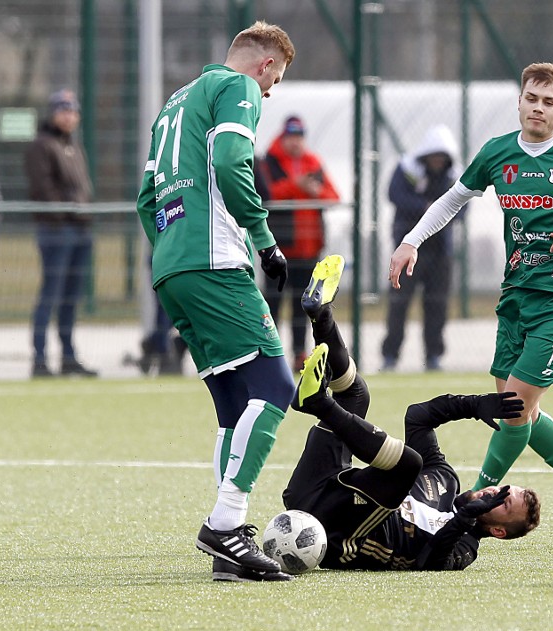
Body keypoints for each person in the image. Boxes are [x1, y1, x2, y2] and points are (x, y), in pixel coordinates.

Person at [389, 62, 553, 543]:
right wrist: (410, 241)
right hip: (516, 297)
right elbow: (452, 199)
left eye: (549, 101)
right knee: (521, 411)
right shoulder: (498, 153)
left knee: (512, 411)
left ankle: (467, 504)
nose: (538, 107)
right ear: (520, 101)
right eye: (532, 98)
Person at [241, 255, 538, 577]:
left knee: (408, 463)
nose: (495, 494)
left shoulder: (465, 546)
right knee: (356, 394)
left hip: (333, 535)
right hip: (314, 490)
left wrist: (464, 519)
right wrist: (473, 405)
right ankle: (321, 316)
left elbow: (434, 562)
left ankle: (317, 401)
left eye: (504, 504)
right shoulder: (444, 480)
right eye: (503, 490)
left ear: (499, 531)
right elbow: (419, 417)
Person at [136, 21, 299, 582]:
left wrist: (172, 251)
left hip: (172, 267)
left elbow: (145, 199)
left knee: (235, 404)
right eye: (275, 79)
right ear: (265, 65)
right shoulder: (239, 87)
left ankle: (230, 540)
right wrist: (264, 239)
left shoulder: (173, 103)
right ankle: (225, 524)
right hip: (214, 261)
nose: (270, 93)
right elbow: (232, 161)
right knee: (278, 386)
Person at [254, 115, 340, 371]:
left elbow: (333, 196)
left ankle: (299, 353)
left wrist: (315, 192)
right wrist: (295, 186)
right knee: (272, 302)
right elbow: (265, 194)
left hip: (308, 248)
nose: (295, 142)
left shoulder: (313, 162)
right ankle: (270, 352)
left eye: (299, 137)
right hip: (278, 248)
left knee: (304, 305)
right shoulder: (268, 162)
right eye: (291, 137)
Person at [381, 125, 467, 372]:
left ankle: (433, 356)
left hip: (441, 251)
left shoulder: (455, 177)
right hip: (407, 248)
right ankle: (390, 355)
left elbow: (462, 207)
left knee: (437, 305)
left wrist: (434, 211)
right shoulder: (407, 170)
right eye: (434, 156)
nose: (438, 161)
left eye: (442, 157)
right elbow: (395, 195)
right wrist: (429, 209)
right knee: (399, 303)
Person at [26, 89, 97, 378]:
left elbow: (82, 188)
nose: (69, 116)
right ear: (53, 113)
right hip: (56, 230)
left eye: (73, 110)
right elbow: (44, 188)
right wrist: (68, 213)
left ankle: (68, 356)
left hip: (80, 229)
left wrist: (83, 213)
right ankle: (40, 357)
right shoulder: (42, 146)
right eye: (63, 110)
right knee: (51, 294)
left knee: (70, 297)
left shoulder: (73, 147)